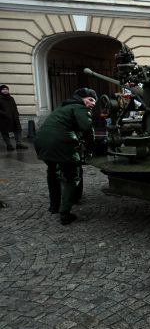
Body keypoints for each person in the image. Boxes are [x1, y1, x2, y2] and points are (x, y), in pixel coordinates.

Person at [34, 88, 96, 225]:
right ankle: (65, 214)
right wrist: (92, 148)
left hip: (41, 142)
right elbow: (87, 128)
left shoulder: (62, 108)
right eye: (91, 100)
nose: (93, 104)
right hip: (61, 144)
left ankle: (54, 206)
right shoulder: (79, 107)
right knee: (72, 176)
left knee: (52, 172)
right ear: (81, 98)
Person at [0, 84, 28, 151]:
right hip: (4, 119)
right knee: (5, 132)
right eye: (3, 89)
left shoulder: (11, 98)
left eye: (6, 89)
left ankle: (19, 144)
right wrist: (5, 114)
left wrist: (17, 114)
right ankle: (9, 145)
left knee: (18, 130)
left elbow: (15, 107)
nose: (5, 90)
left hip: (14, 118)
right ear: (0, 90)